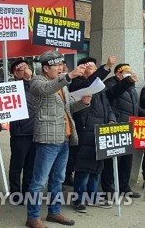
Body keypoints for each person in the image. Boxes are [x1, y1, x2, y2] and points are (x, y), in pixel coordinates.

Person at [26, 50, 91, 228]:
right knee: (39, 181)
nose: (61, 68)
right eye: (57, 65)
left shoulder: (61, 84)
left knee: (58, 179)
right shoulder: (37, 82)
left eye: (62, 65)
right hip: (47, 140)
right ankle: (32, 217)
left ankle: (54, 212)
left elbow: (67, 107)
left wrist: (83, 102)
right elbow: (47, 89)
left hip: (65, 138)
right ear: (46, 68)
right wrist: (69, 75)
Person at [69, 56, 116, 213]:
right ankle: (78, 200)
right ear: (82, 69)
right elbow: (90, 83)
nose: (95, 70)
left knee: (97, 168)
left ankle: (92, 197)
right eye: (91, 67)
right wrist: (106, 67)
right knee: (84, 168)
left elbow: (108, 107)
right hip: (85, 132)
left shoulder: (100, 86)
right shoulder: (78, 83)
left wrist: (111, 119)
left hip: (101, 131)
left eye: (96, 68)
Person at [102, 63, 142, 198]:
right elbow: (112, 93)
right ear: (118, 74)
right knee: (112, 161)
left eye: (131, 71)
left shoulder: (130, 86)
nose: (130, 74)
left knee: (126, 161)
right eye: (127, 72)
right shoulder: (110, 83)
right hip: (116, 127)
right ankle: (109, 189)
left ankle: (124, 188)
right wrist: (127, 81)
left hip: (129, 127)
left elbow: (134, 106)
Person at [8, 59, 35, 205]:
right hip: (20, 132)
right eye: (22, 69)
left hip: (34, 131)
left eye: (27, 68)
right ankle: (15, 193)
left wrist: (30, 79)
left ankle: (27, 191)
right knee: (17, 165)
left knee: (30, 165)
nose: (26, 71)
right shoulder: (13, 86)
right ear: (15, 73)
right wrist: (26, 80)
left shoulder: (33, 83)